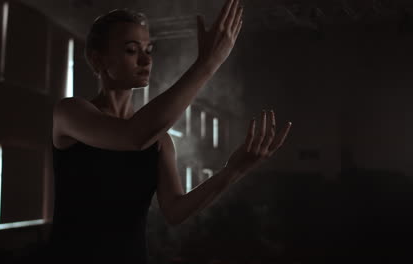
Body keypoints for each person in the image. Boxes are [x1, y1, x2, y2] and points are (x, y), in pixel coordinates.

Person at [48, 0, 292, 262]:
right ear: (98, 60)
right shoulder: (70, 113)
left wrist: (234, 170)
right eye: (132, 50)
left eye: (149, 50)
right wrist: (207, 63)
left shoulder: (159, 140)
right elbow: (133, 136)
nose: (145, 59)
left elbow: (175, 211)